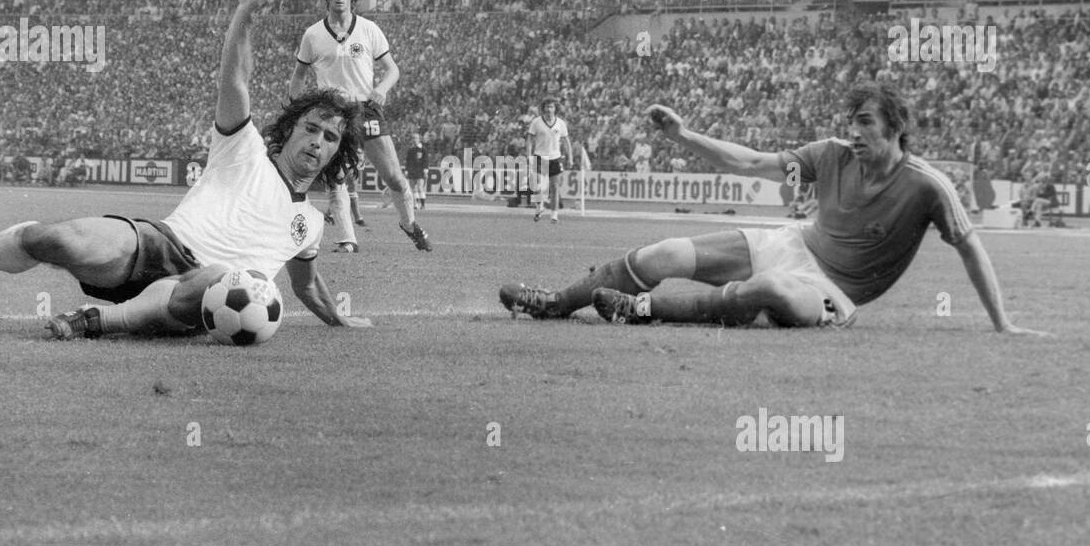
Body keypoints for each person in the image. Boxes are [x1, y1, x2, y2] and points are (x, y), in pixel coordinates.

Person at [0, 0, 372, 335]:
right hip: (158, 244)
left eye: (330, 138)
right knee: (52, 240)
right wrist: (245, 10)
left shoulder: (306, 226)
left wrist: (339, 318)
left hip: (207, 294)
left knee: (223, 278)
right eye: (311, 128)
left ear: (337, 154)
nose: (317, 141)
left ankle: (99, 322)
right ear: (292, 126)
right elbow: (236, 80)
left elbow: (307, 286)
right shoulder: (245, 149)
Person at [499, 83, 1045, 335]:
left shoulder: (928, 186)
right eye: (851, 122)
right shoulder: (831, 155)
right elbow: (753, 162)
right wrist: (684, 135)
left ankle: (639, 311)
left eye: (867, 124)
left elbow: (970, 245)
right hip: (795, 242)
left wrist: (1004, 324)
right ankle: (556, 303)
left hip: (834, 291)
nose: (854, 133)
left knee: (775, 291)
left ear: (897, 129)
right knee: (664, 252)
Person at [289, 0, 431, 252]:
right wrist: (298, 110)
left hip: (366, 109)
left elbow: (392, 70)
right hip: (331, 113)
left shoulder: (368, 29)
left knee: (393, 176)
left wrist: (381, 89)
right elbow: (299, 76)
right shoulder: (313, 35)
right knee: (336, 177)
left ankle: (409, 224)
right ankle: (347, 240)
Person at [526, 98, 573, 223]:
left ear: (555, 109)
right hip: (539, 156)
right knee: (537, 185)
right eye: (546, 107)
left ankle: (554, 214)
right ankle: (539, 206)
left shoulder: (560, 123)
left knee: (554, 187)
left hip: (555, 158)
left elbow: (566, 141)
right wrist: (528, 155)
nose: (549, 109)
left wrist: (570, 157)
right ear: (543, 109)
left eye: (551, 107)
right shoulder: (536, 122)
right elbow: (530, 139)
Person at [405, 131, 428, 210]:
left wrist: (425, 170)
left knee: (420, 187)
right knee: (412, 188)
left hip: (420, 171)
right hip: (412, 171)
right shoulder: (410, 150)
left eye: (416, 138)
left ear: (419, 139)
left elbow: (425, 160)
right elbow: (408, 161)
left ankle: (423, 204)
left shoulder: (423, 149)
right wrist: (406, 170)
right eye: (413, 138)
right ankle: (415, 204)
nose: (414, 140)